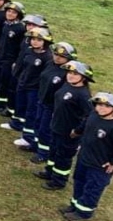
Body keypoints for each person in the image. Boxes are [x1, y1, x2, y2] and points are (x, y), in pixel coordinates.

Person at [61, 92, 113, 221]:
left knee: (92, 188)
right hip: (84, 159)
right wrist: (76, 132)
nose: (101, 108)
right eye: (99, 104)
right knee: (79, 182)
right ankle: (75, 206)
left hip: (99, 167)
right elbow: (85, 124)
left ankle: (84, 213)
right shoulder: (93, 115)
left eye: (106, 106)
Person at [37, 60, 95, 191]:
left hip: (69, 132)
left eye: (75, 73)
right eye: (69, 72)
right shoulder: (67, 85)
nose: (70, 75)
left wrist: (78, 131)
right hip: (57, 126)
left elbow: (89, 116)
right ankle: (49, 172)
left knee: (63, 156)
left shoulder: (83, 95)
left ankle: (59, 180)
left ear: (84, 78)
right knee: (53, 151)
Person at [30, 41, 77, 163]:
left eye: (61, 56)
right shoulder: (50, 63)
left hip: (52, 106)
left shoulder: (68, 73)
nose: (57, 57)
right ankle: (35, 145)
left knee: (45, 129)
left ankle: (43, 154)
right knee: (38, 123)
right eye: (55, 54)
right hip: (42, 100)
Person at [0, 1, 27, 116]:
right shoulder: (6, 24)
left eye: (13, 12)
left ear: (19, 15)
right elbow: (1, 39)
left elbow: (19, 48)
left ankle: (0, 103)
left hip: (9, 59)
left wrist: (15, 61)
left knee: (4, 81)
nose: (10, 14)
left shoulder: (20, 29)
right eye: (9, 11)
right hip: (0, 55)